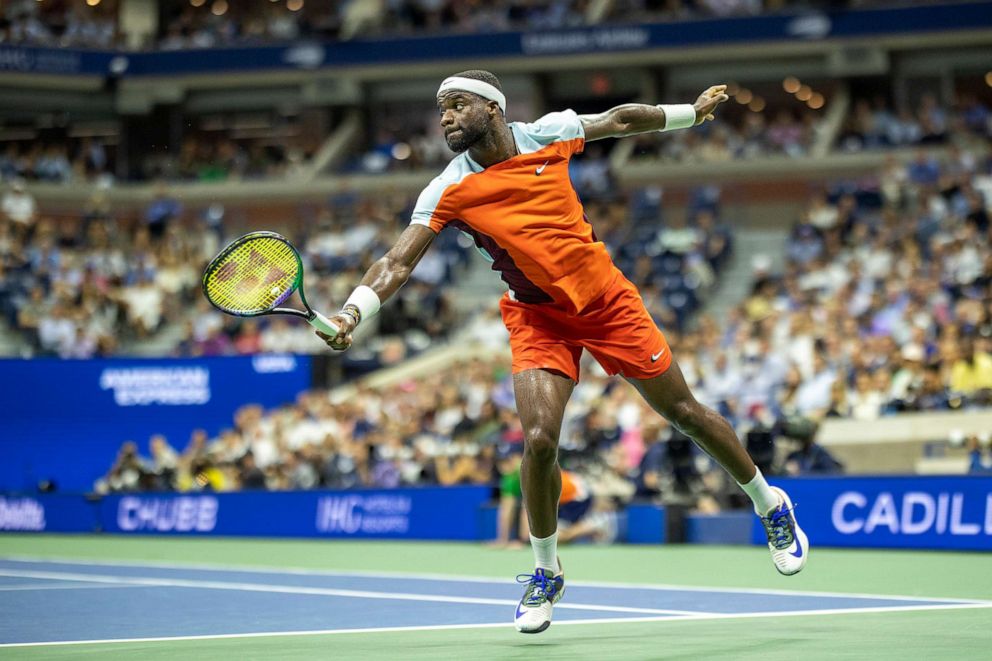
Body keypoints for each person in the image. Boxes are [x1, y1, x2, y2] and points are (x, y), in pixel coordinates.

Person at [316, 70, 808, 634]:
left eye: (456, 104)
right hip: (536, 317)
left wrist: (690, 114)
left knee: (683, 414)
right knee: (539, 439)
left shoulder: (547, 133)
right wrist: (354, 311)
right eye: (440, 108)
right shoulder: (446, 188)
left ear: (493, 108)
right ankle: (546, 570)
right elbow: (397, 261)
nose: (444, 116)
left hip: (606, 302)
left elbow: (621, 119)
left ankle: (770, 504)